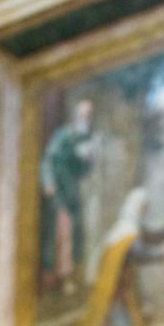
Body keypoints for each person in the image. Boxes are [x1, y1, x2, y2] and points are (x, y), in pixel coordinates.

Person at [52, 186, 164, 326]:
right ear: (138, 207)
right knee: (116, 306)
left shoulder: (130, 226)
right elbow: (141, 252)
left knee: (119, 305)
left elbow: (152, 236)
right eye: (144, 207)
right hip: (112, 279)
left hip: (118, 277)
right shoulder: (128, 230)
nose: (146, 210)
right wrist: (163, 253)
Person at [39, 99, 94, 294]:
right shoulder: (63, 137)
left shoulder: (84, 141)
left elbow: (83, 171)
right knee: (61, 235)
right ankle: (56, 279)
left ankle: (69, 279)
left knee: (74, 236)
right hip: (58, 193)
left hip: (72, 194)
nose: (85, 119)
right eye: (83, 115)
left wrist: (86, 160)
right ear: (75, 116)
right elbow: (48, 160)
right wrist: (48, 182)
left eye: (88, 116)